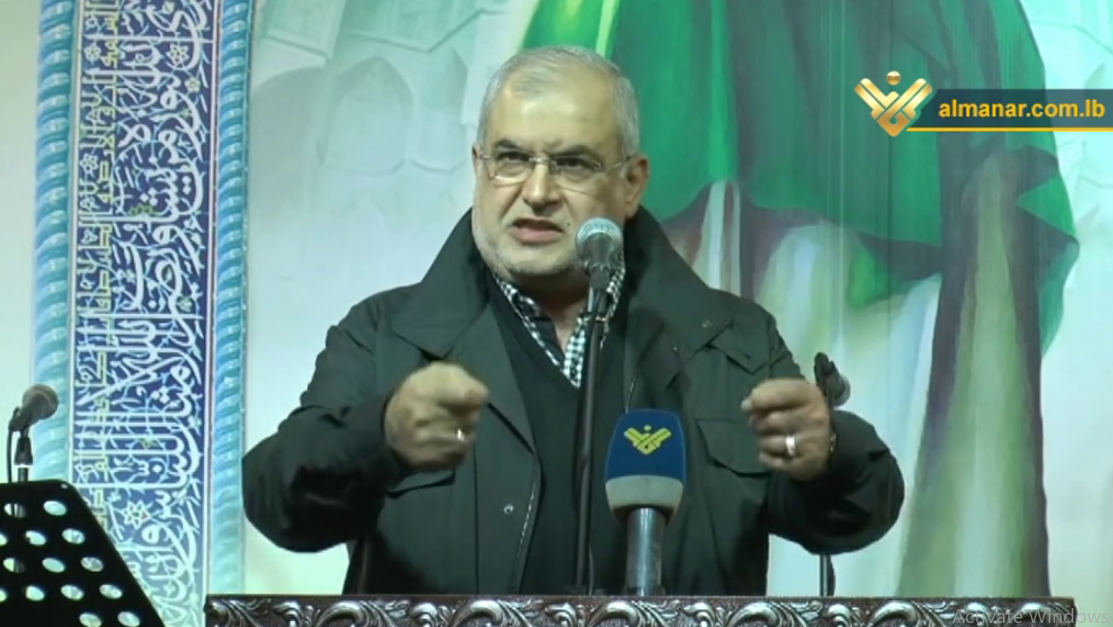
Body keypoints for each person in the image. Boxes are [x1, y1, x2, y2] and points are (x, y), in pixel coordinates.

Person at [242, 45, 905, 596]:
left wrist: (830, 455)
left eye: (572, 163)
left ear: (631, 183)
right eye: (510, 158)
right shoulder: (386, 335)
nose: (536, 192)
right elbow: (278, 503)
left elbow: (854, 515)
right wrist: (378, 437)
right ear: (477, 167)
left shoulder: (730, 341)